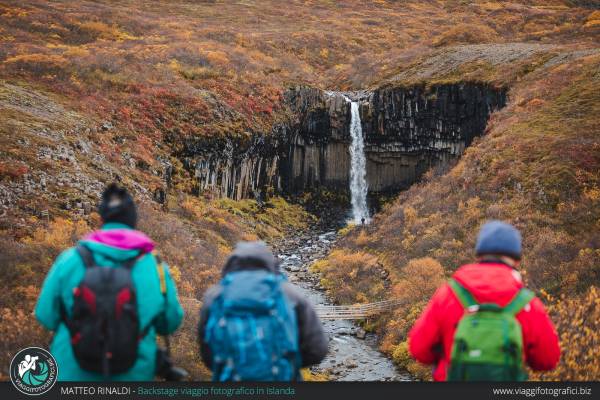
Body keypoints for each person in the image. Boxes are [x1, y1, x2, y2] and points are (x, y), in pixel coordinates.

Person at [35, 183, 184, 381]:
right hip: (133, 374)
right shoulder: (154, 265)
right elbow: (170, 322)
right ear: (133, 219)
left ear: (103, 218)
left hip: (71, 374)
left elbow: (46, 316)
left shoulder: (70, 259)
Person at [409, 220, 560, 381]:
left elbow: (418, 349)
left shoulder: (449, 293)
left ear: (479, 255)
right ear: (516, 260)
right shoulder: (527, 303)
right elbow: (548, 360)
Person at [198, 241, 328, 381]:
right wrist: (288, 363)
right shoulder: (289, 294)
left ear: (231, 264)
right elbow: (317, 350)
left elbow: (207, 353)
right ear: (270, 263)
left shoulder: (215, 297)